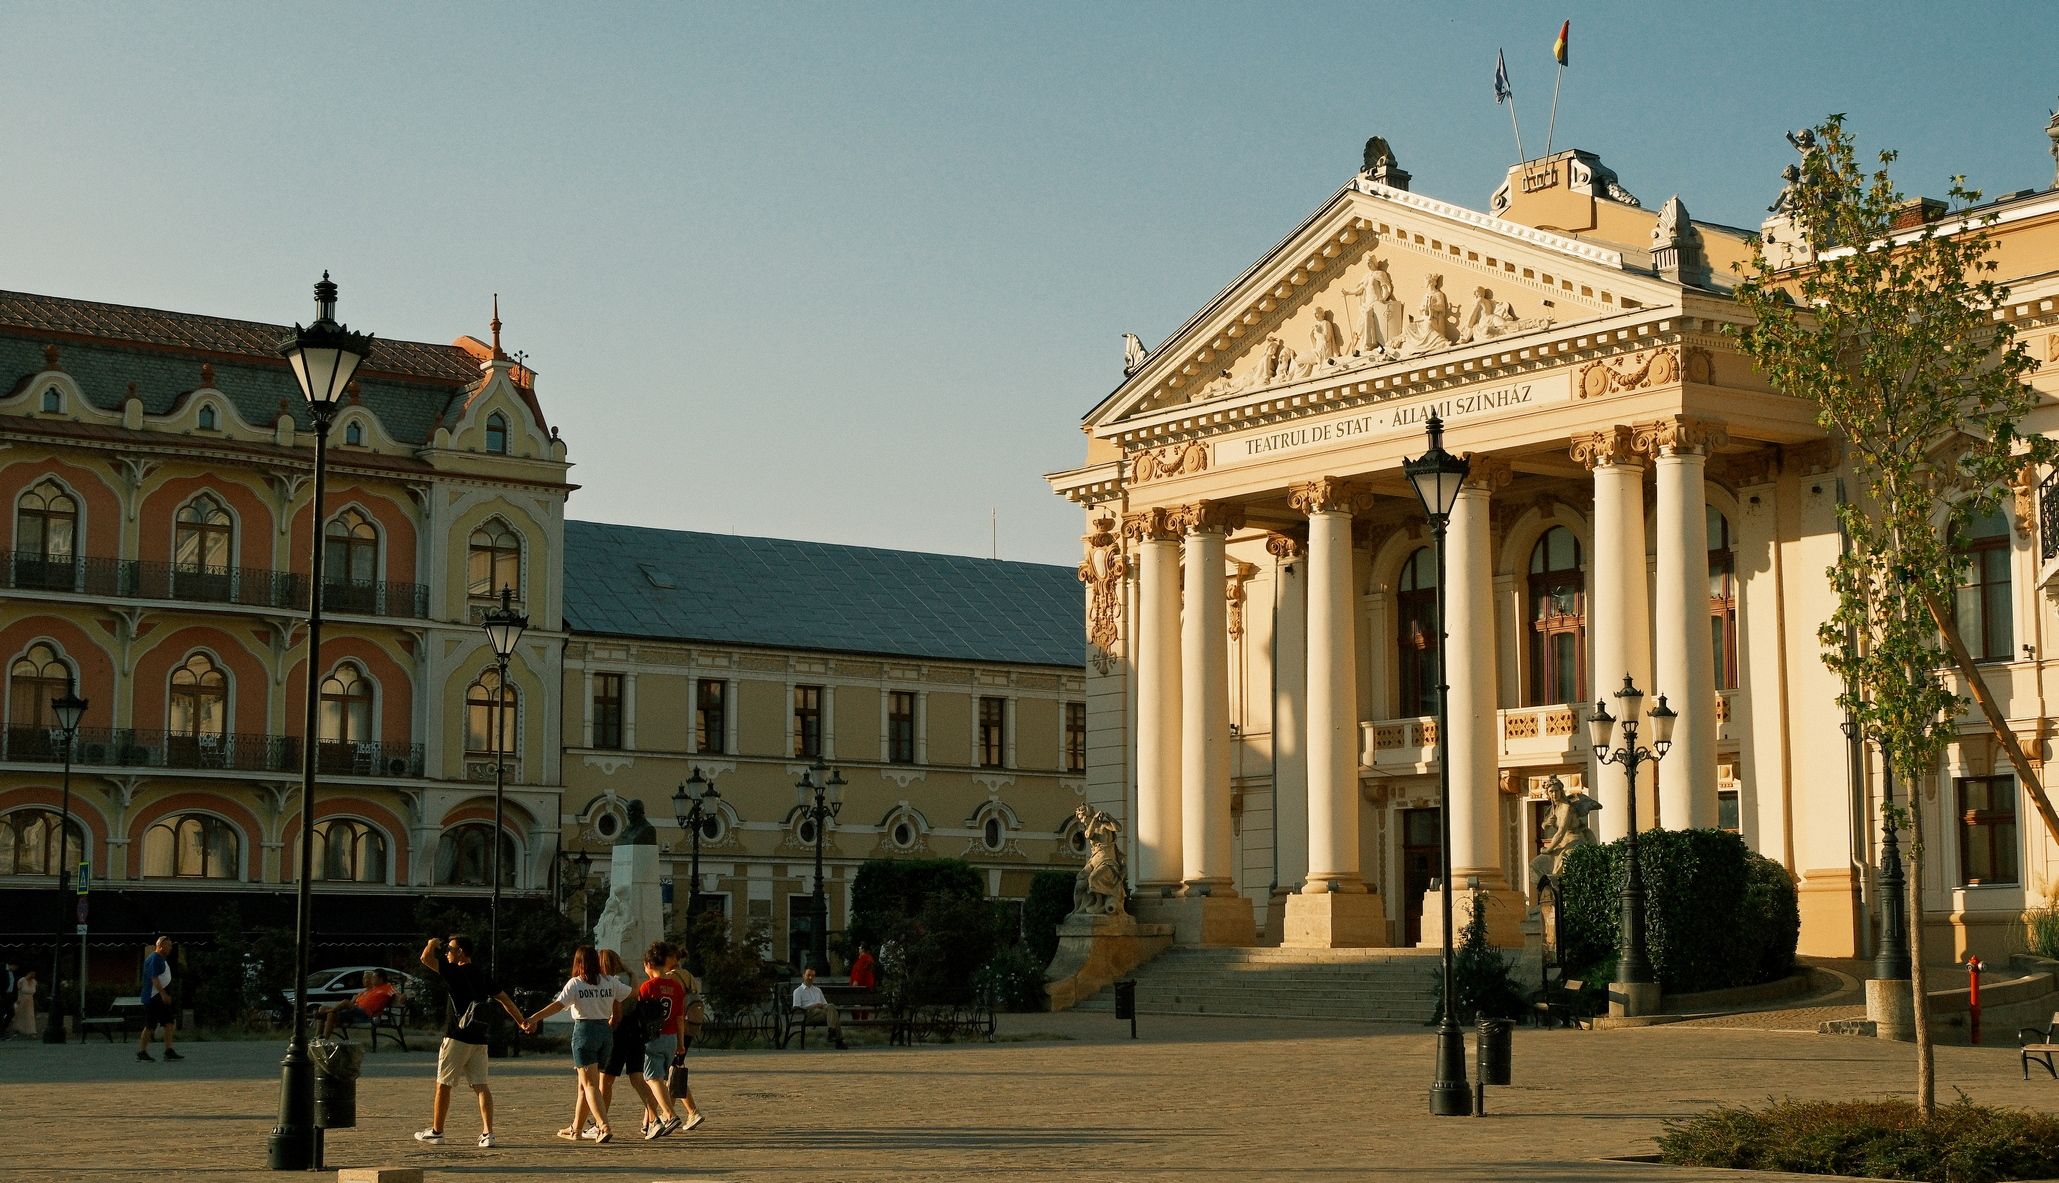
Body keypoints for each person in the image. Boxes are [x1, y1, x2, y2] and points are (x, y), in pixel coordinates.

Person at [415, 934, 525, 1149]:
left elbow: (426, 959)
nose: (447, 952)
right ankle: (488, 1133)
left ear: (461, 953)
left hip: (456, 1036)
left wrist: (432, 943)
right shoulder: (482, 975)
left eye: (450, 949)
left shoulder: (455, 971)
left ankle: (437, 1132)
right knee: (481, 1085)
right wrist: (521, 1021)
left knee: (444, 1084)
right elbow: (505, 999)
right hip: (479, 1038)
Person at [522, 945, 630, 1144]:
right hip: (606, 1034)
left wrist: (534, 1018)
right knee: (584, 1085)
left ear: (578, 963)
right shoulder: (610, 982)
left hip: (585, 1032)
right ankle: (576, 1129)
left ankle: (602, 1126)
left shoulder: (576, 984)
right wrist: (630, 972)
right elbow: (631, 993)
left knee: (590, 1084)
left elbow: (558, 1005)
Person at [592, 949, 670, 1140]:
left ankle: (600, 1123)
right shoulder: (630, 977)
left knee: (606, 1080)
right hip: (635, 1031)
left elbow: (614, 1008)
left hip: (618, 1031)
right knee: (637, 1078)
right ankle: (654, 1119)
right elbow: (635, 993)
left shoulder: (610, 981)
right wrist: (631, 971)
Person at [657, 943, 707, 1131]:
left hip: (679, 1028)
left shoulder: (671, 977)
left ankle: (689, 1111)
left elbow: (672, 1007)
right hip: (691, 1026)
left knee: (674, 1071)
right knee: (675, 1069)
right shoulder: (688, 975)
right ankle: (676, 1111)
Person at [137, 938, 182, 1061]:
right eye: (168, 946)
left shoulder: (161, 958)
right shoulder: (155, 958)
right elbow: (154, 978)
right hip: (153, 997)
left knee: (168, 1023)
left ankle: (169, 1050)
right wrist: (163, 994)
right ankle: (142, 1052)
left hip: (160, 998)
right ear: (160, 945)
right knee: (150, 1025)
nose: (170, 948)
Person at [319, 969, 397, 1038]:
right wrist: (355, 999)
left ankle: (326, 1014)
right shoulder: (371, 989)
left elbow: (396, 994)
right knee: (328, 1011)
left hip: (365, 1014)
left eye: (374, 977)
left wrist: (402, 998)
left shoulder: (388, 987)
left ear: (381, 979)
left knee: (344, 1003)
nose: (371, 980)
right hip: (354, 1012)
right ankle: (318, 1039)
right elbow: (356, 1000)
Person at [791, 967, 845, 1049]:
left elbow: (825, 1005)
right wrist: (814, 1005)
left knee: (831, 1007)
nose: (810, 978)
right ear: (803, 976)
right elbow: (796, 1007)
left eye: (812, 976)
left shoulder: (817, 990)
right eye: (808, 975)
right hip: (809, 1014)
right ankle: (838, 1040)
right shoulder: (798, 991)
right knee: (835, 1014)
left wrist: (822, 1006)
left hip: (822, 1013)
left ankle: (832, 1031)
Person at [10, 968, 37, 1039]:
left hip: (30, 1000)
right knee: (20, 1015)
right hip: (22, 999)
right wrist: (18, 999)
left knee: (30, 1016)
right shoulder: (22, 980)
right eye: (31, 973)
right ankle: (18, 1030)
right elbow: (18, 991)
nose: (33, 975)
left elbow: (33, 991)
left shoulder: (34, 982)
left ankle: (31, 1031)